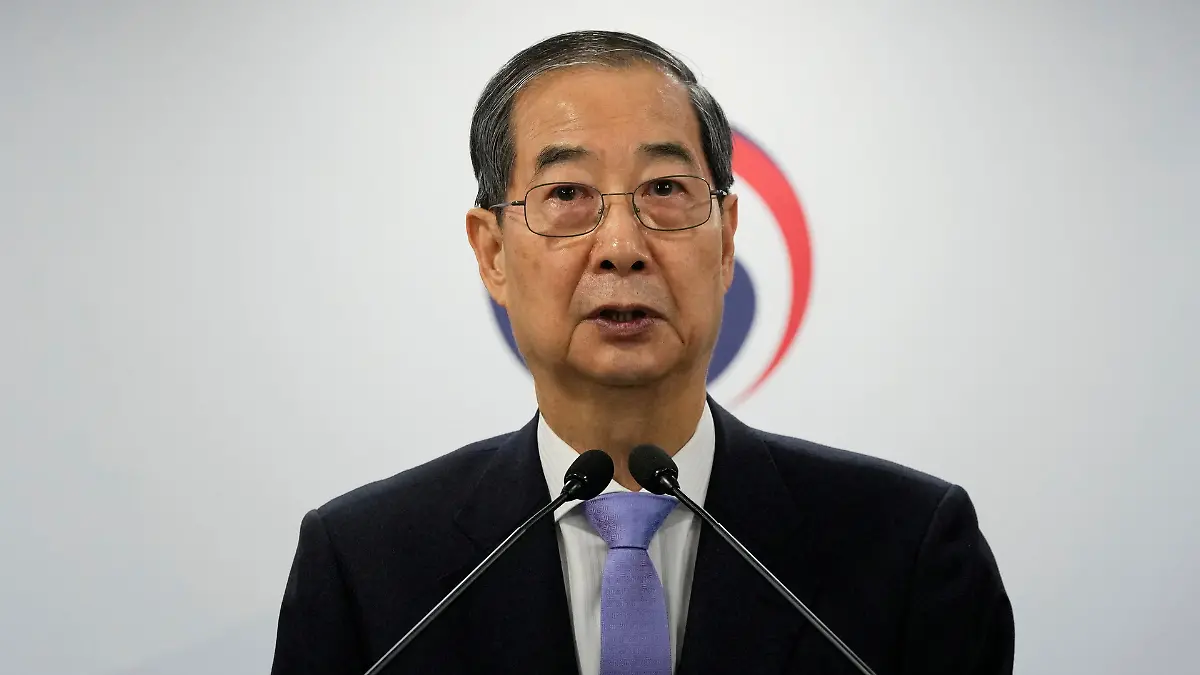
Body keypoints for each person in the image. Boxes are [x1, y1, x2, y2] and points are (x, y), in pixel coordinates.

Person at [270, 30, 1014, 675]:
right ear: (492, 252)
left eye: (663, 188)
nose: (622, 246)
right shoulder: (368, 567)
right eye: (568, 194)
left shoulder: (907, 547)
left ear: (726, 239)